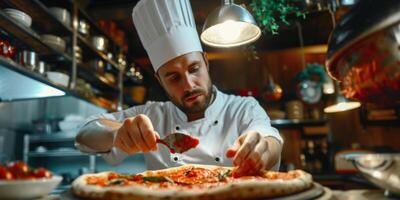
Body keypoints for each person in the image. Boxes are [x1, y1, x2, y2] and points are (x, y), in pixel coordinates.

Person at [75, 0, 283, 176]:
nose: (189, 85)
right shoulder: (151, 115)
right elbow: (85, 133)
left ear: (205, 62)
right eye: (174, 78)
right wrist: (117, 133)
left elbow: (268, 138)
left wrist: (262, 148)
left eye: (194, 69)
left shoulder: (242, 108)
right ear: (159, 81)